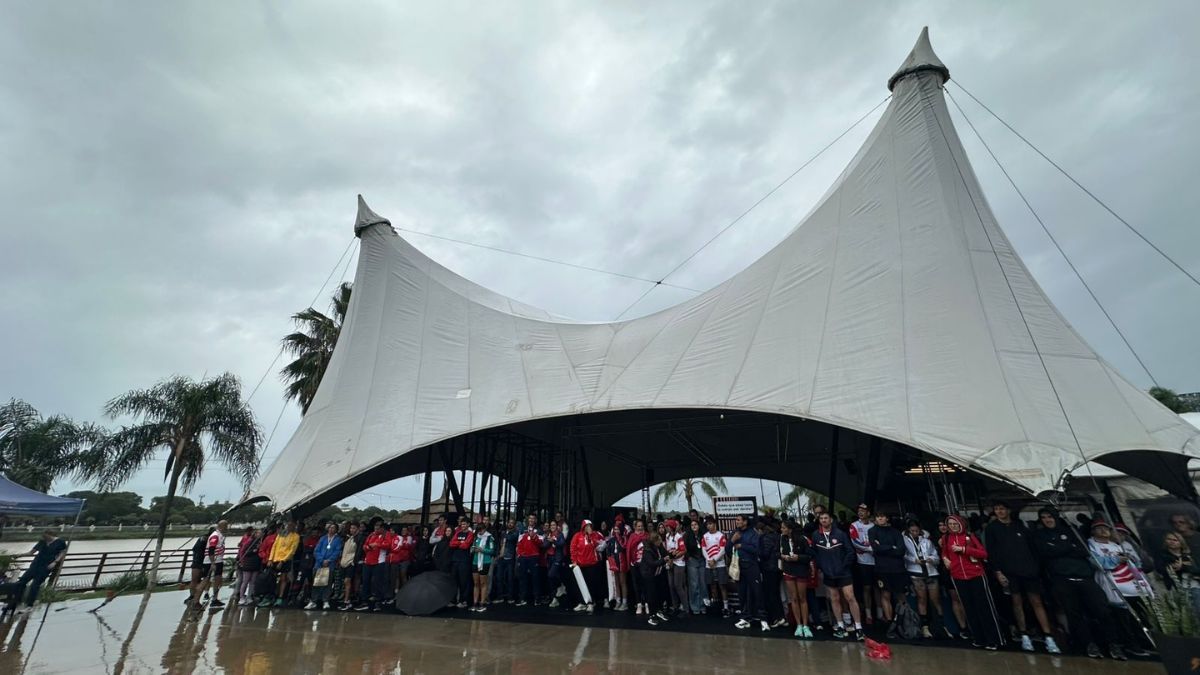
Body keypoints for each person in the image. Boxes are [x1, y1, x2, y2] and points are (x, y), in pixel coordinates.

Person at [1033, 507, 1126, 659]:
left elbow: (1083, 550)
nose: (1047, 520)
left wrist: (1058, 548)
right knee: (1074, 613)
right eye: (1043, 517)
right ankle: (1088, 644)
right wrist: (1068, 547)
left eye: (1049, 516)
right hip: (1062, 578)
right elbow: (1045, 552)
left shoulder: (1071, 531)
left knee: (1102, 610)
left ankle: (1112, 643)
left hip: (1085, 577)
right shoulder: (1040, 535)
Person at [983, 501, 1059, 654]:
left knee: (1036, 601)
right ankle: (1023, 634)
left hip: (1028, 570)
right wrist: (997, 571)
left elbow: (1032, 548)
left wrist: (1035, 567)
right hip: (1009, 571)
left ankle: (1048, 635)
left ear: (1008, 510)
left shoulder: (1020, 526)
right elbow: (991, 551)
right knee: (1016, 602)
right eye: (997, 509)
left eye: (1002, 508)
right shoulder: (992, 528)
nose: (999, 511)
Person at [1088, 520, 1153, 657]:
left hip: (1132, 585)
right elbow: (1096, 562)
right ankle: (1130, 644)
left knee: (1139, 615)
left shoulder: (1117, 546)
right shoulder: (1091, 544)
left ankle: (1144, 642)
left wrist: (1132, 560)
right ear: (1093, 531)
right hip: (1113, 585)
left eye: (1106, 528)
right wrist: (1116, 560)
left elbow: (1137, 565)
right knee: (1123, 617)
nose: (1103, 530)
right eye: (1099, 528)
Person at [941, 514, 1002, 650]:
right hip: (958, 576)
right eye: (950, 524)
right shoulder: (946, 538)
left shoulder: (969, 536)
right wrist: (945, 559)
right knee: (969, 608)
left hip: (975, 575)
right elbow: (944, 552)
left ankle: (994, 639)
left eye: (955, 524)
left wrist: (964, 549)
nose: (953, 526)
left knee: (984, 607)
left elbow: (983, 553)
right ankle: (979, 638)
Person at [812, 511, 862, 640]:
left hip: (843, 572)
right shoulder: (816, 535)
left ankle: (858, 627)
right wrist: (822, 567)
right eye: (821, 518)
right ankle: (840, 625)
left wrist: (844, 566)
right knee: (834, 598)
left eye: (826, 518)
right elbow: (815, 553)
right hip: (828, 573)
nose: (823, 520)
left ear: (831, 520)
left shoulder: (840, 534)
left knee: (850, 597)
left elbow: (850, 552)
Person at [868, 513, 908, 639]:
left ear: (887, 518)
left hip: (898, 568)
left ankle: (903, 622)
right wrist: (892, 547)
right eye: (878, 516)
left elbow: (901, 550)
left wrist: (883, 548)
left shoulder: (895, 532)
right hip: (882, 568)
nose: (880, 518)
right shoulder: (872, 531)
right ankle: (890, 623)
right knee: (885, 595)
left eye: (882, 516)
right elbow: (875, 548)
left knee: (901, 595)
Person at [903, 520, 944, 638]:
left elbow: (936, 556)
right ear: (908, 531)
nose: (915, 532)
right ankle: (925, 627)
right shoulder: (905, 541)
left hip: (930, 571)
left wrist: (931, 559)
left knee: (935, 599)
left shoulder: (926, 541)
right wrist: (914, 560)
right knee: (922, 599)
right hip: (916, 572)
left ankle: (941, 626)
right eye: (912, 531)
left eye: (916, 530)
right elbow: (904, 555)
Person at [11, 529, 67, 613]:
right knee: (22, 581)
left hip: (46, 566)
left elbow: (62, 552)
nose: (44, 538)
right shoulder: (42, 542)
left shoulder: (60, 542)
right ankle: (15, 602)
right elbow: (31, 552)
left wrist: (55, 562)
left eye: (45, 536)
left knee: (35, 585)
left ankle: (29, 605)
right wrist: (20, 555)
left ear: (50, 534)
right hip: (35, 564)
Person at [731, 514, 768, 632]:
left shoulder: (753, 534)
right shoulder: (735, 533)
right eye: (736, 520)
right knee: (742, 593)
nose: (737, 522)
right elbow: (727, 549)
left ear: (745, 522)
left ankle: (763, 619)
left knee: (757, 592)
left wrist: (742, 545)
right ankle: (745, 617)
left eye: (739, 520)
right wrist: (732, 541)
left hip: (751, 566)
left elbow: (757, 550)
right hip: (739, 566)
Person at [936, 518, 969, 638]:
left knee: (965, 598)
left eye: (946, 525)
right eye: (941, 525)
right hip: (948, 571)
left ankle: (970, 624)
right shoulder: (939, 539)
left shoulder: (964, 536)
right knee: (955, 598)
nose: (943, 527)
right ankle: (963, 627)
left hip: (965, 570)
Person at [779, 519, 813, 639]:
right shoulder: (781, 539)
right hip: (788, 570)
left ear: (790, 529)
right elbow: (778, 553)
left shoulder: (802, 539)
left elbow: (809, 555)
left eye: (783, 528)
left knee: (802, 598)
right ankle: (798, 624)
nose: (781, 530)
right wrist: (783, 556)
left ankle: (806, 625)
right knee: (793, 598)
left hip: (801, 570)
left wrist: (798, 557)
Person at [849, 504, 878, 625]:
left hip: (876, 561)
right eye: (859, 511)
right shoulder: (854, 525)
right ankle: (868, 614)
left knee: (878, 587)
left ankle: (880, 613)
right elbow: (855, 542)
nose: (860, 513)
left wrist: (877, 548)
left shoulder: (874, 525)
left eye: (863, 511)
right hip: (863, 561)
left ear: (868, 513)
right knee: (867, 587)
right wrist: (870, 549)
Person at [569, 519, 605, 613]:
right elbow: (573, 548)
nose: (589, 528)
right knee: (581, 584)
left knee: (591, 584)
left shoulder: (594, 535)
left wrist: (591, 535)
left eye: (590, 526)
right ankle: (582, 603)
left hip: (592, 564)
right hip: (580, 564)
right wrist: (574, 561)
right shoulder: (577, 536)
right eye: (587, 526)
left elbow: (600, 545)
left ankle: (590, 603)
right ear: (583, 527)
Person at [359, 519, 395, 611]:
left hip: (379, 562)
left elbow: (388, 545)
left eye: (378, 526)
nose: (376, 527)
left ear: (382, 527)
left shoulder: (386, 534)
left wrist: (377, 544)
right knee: (365, 581)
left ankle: (378, 602)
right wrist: (369, 547)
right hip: (367, 561)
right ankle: (364, 601)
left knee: (378, 582)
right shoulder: (371, 534)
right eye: (375, 525)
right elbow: (365, 546)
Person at [308, 522, 343, 610]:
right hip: (319, 564)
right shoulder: (323, 538)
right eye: (330, 528)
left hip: (329, 564)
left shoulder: (338, 540)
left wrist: (329, 560)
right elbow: (316, 550)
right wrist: (321, 560)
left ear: (336, 530)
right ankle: (313, 601)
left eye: (333, 528)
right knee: (316, 583)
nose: (331, 529)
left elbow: (337, 552)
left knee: (327, 583)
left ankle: (325, 600)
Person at [758, 517, 786, 628]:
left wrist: (757, 551)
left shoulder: (765, 537)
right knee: (776, 593)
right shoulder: (778, 536)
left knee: (770, 594)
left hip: (769, 568)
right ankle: (782, 616)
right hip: (777, 568)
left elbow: (765, 553)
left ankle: (776, 617)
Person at [640, 532, 671, 626]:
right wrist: (664, 560)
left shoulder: (659, 547)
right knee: (651, 595)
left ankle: (658, 611)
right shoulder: (647, 550)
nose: (661, 542)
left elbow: (666, 553)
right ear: (654, 541)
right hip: (648, 575)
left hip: (658, 574)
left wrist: (671, 555)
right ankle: (651, 615)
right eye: (659, 540)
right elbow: (652, 563)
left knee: (660, 593)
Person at [196, 520, 229, 609]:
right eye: (226, 526)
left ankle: (215, 599)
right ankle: (196, 601)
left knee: (217, 580)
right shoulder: (215, 535)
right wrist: (213, 563)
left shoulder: (221, 535)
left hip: (219, 560)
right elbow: (211, 549)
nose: (227, 528)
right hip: (211, 562)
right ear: (221, 526)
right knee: (205, 581)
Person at [266, 520, 300, 608]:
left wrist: (283, 561)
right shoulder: (281, 534)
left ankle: (280, 597)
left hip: (285, 559)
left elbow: (292, 550)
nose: (289, 527)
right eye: (288, 525)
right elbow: (274, 546)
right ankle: (270, 595)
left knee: (283, 578)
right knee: (271, 577)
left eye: (292, 526)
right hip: (275, 558)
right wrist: (270, 559)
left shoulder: (296, 536)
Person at [701, 517, 730, 617]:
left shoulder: (720, 535)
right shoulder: (705, 536)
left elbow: (722, 550)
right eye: (707, 524)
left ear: (714, 524)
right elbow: (703, 549)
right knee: (712, 586)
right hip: (709, 564)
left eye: (710, 524)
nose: (709, 526)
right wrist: (709, 560)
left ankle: (726, 607)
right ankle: (716, 606)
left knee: (722, 586)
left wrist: (715, 560)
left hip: (720, 564)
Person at [448, 518, 475, 609]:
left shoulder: (470, 534)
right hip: (455, 560)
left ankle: (463, 600)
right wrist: (460, 542)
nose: (462, 526)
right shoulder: (458, 533)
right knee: (454, 581)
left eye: (464, 524)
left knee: (464, 581)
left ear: (468, 525)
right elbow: (451, 544)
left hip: (464, 561)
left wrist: (458, 543)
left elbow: (466, 545)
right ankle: (453, 600)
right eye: (462, 524)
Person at [470, 521, 496, 612]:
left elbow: (492, 551)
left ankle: (482, 603)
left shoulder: (489, 537)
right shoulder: (476, 537)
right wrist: (472, 549)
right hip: (475, 561)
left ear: (485, 529)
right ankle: (475, 603)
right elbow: (472, 547)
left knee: (483, 583)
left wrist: (482, 550)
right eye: (478, 530)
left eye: (481, 530)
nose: (480, 532)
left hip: (485, 562)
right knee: (476, 583)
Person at [186, 527, 215, 608]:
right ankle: (194, 597)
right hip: (201, 561)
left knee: (197, 580)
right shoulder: (207, 540)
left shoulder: (203, 538)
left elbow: (195, 549)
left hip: (197, 561)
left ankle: (195, 595)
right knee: (202, 579)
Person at [664, 520, 688, 615]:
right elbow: (667, 549)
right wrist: (669, 559)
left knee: (678, 585)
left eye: (668, 526)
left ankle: (685, 608)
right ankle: (675, 607)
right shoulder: (667, 536)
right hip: (671, 563)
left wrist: (674, 557)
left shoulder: (679, 537)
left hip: (679, 563)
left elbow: (683, 550)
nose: (666, 528)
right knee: (671, 585)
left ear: (672, 527)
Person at [683, 519, 706, 615]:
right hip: (692, 560)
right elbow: (684, 548)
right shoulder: (687, 535)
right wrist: (688, 557)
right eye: (692, 525)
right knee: (694, 584)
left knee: (702, 583)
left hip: (702, 560)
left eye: (695, 524)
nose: (694, 526)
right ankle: (695, 606)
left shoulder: (703, 535)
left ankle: (703, 605)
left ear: (699, 525)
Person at [235, 526, 262, 607]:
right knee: (245, 581)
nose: (260, 535)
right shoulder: (250, 541)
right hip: (248, 563)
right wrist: (253, 551)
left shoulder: (260, 542)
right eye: (258, 533)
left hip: (256, 563)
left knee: (252, 582)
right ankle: (241, 597)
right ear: (255, 534)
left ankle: (249, 596)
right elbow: (243, 551)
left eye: (260, 533)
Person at [338, 522, 361, 610]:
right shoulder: (348, 538)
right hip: (344, 562)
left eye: (354, 528)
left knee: (347, 581)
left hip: (351, 562)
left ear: (358, 529)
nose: (352, 530)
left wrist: (354, 561)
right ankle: (346, 598)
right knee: (345, 582)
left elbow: (358, 552)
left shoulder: (358, 538)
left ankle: (346, 601)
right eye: (351, 528)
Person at [494, 518, 518, 603]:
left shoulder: (515, 533)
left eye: (512, 523)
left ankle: (510, 597)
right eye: (509, 522)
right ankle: (500, 596)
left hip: (510, 557)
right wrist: (497, 554)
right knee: (499, 577)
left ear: (514, 525)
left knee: (510, 578)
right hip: (501, 557)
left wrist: (504, 535)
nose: (510, 524)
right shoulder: (503, 532)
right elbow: (499, 543)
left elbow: (511, 538)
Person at [543, 521, 567, 607]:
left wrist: (554, 541)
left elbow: (562, 543)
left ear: (557, 526)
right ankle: (554, 598)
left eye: (554, 525)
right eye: (551, 525)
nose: (552, 526)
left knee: (551, 575)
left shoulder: (560, 534)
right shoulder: (548, 534)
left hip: (557, 558)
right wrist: (549, 541)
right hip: (549, 558)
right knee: (551, 579)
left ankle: (561, 586)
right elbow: (544, 545)